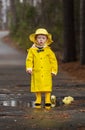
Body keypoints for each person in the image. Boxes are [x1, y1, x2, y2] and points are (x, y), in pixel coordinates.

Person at [26, 28, 58, 110]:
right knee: (38, 86)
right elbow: (29, 59)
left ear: (46, 39)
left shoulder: (48, 50)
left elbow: (53, 60)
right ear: (35, 39)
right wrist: (29, 67)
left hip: (47, 71)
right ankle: (38, 99)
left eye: (43, 38)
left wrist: (54, 70)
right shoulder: (32, 50)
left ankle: (47, 100)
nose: (41, 40)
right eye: (39, 38)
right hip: (36, 71)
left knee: (47, 86)